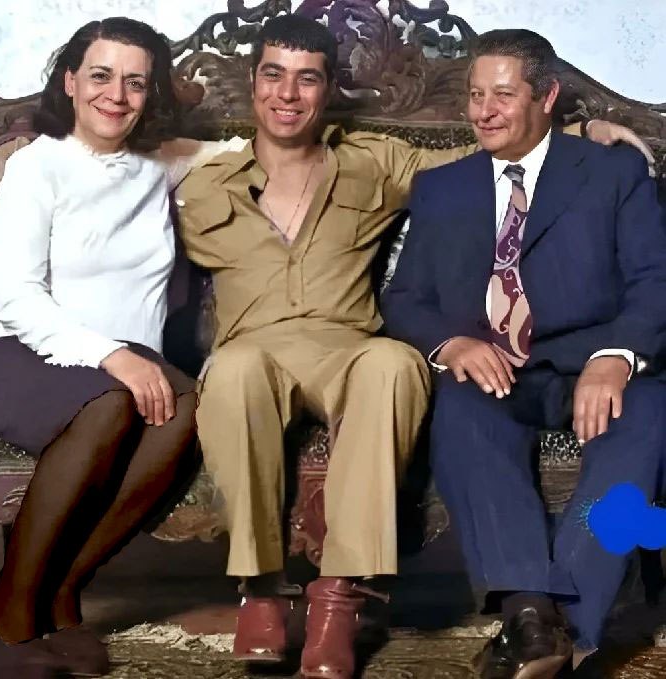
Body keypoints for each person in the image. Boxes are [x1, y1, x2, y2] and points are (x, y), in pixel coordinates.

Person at [175, 15, 651, 678]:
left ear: (328, 89)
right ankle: (264, 590)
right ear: (252, 82)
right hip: (273, 349)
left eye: (307, 79)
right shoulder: (201, 177)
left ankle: (365, 601)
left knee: (397, 365)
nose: (287, 94)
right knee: (245, 372)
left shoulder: (379, 161)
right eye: (273, 76)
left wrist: (583, 130)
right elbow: (118, 165)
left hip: (363, 348)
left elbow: (503, 161)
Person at [382, 28, 666, 679]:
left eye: (502, 96)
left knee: (649, 423)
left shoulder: (610, 172)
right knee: (460, 411)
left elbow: (655, 279)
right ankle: (533, 612)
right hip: (493, 370)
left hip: (596, 364)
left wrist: (615, 355)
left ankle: (555, 624)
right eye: (475, 95)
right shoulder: (441, 188)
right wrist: (451, 342)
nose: (483, 111)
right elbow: (405, 298)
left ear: (547, 97)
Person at [0, 17, 242, 679]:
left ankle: (64, 590)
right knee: (109, 404)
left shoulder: (162, 161)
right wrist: (112, 357)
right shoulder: (36, 166)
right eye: (100, 76)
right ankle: (9, 613)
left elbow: (260, 147)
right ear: (71, 81)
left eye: (135, 82)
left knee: (191, 408)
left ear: (151, 92)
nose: (116, 95)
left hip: (119, 357)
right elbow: (15, 296)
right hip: (15, 346)